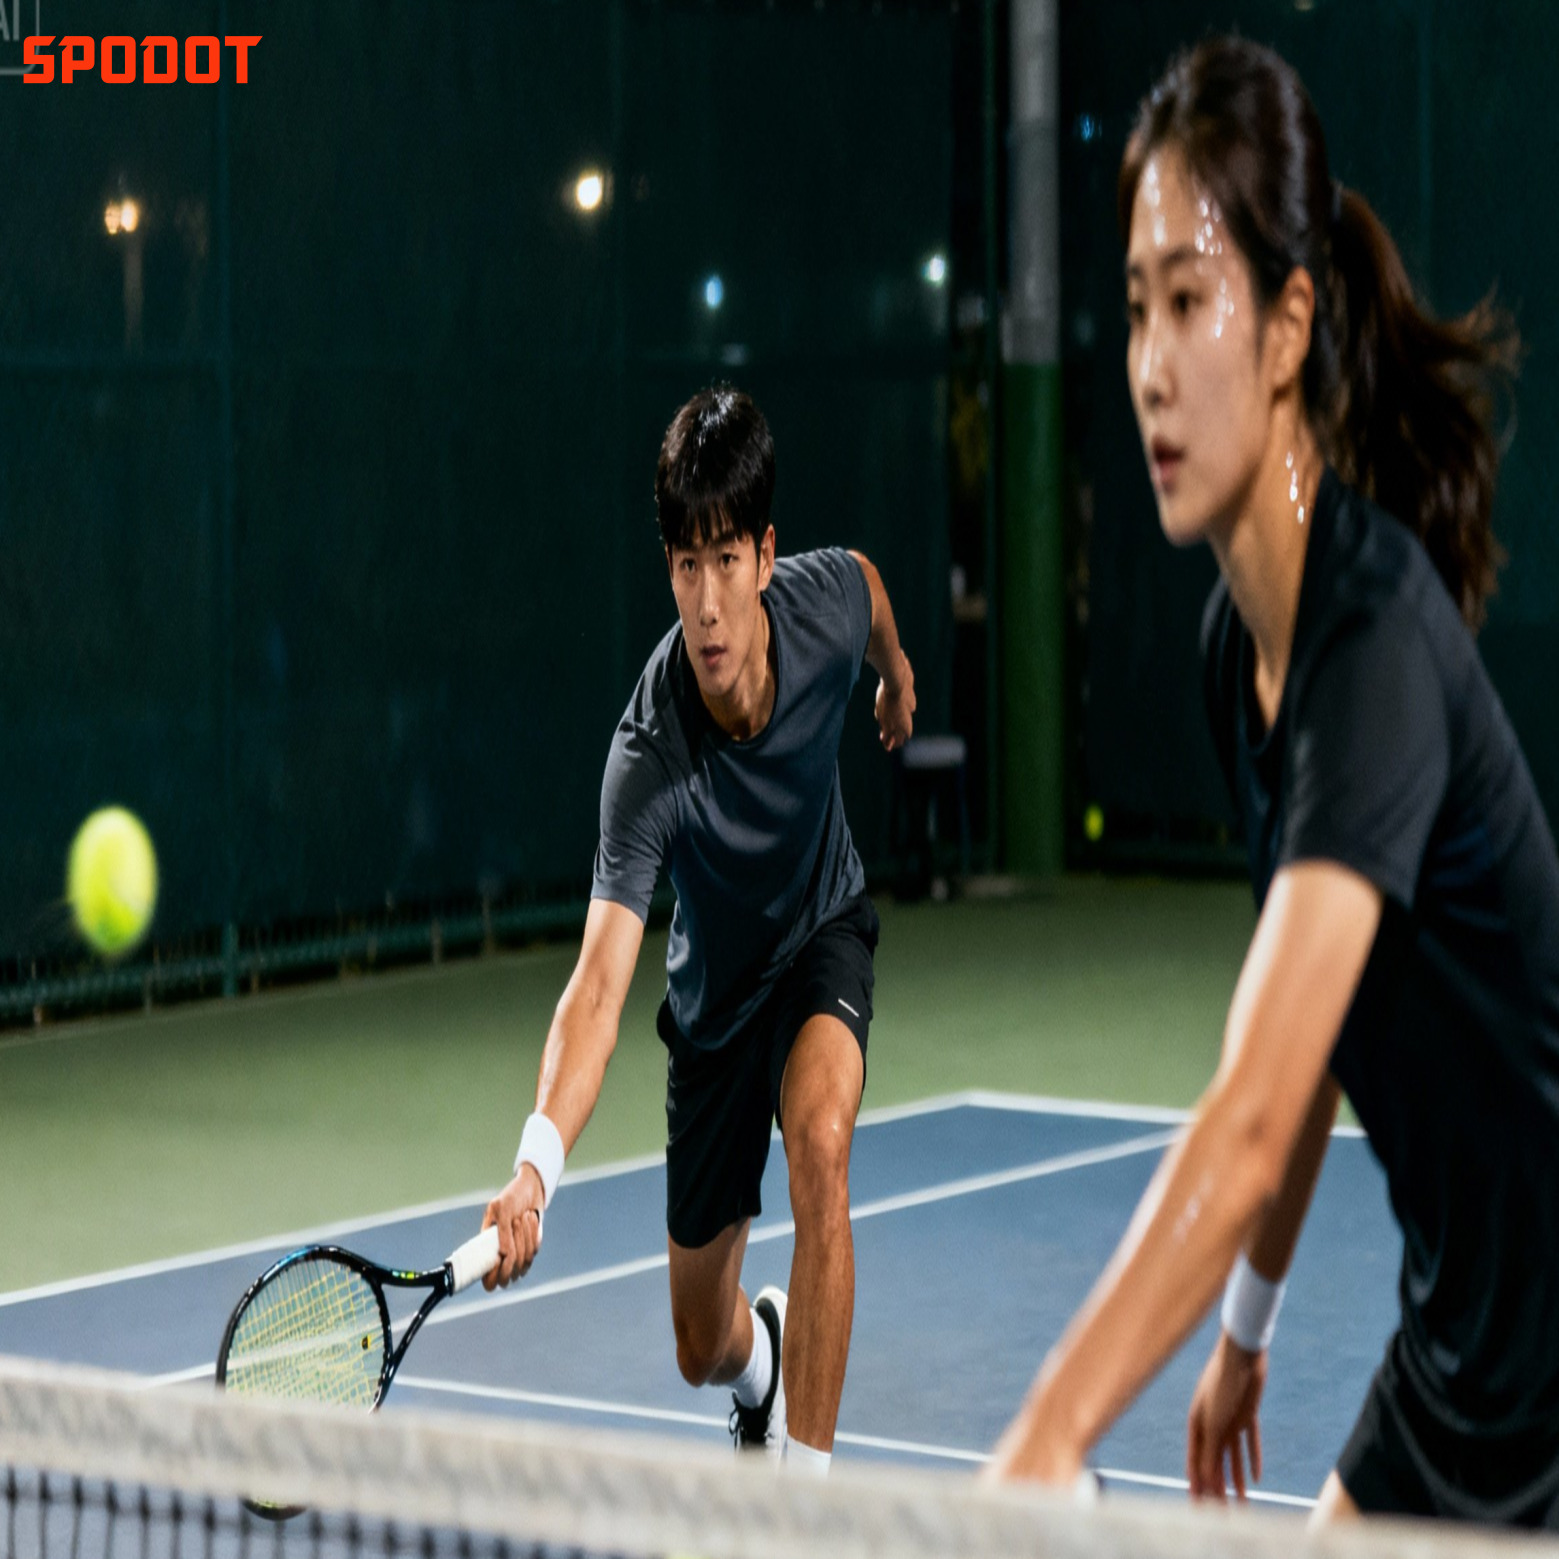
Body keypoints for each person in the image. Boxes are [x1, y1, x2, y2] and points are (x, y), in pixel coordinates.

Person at [989, 35, 1559, 1530]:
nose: (1149, 364)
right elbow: (1300, 1048)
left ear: (1289, 323)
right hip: (1464, 1355)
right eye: (1133, 309)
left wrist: (1045, 1431)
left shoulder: (1372, 643)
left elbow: (1245, 1118)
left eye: (1189, 300)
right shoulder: (1233, 654)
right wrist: (1241, 1327)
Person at [481, 385, 916, 1475]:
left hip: (819, 934)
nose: (708, 604)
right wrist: (534, 1165)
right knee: (697, 1346)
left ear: (765, 556)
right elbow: (597, 987)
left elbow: (867, 588)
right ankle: (760, 1368)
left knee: (822, 1147)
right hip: (715, 1012)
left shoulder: (818, 610)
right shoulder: (647, 759)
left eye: (727, 559)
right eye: (687, 564)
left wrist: (896, 677)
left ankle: (804, 1504)